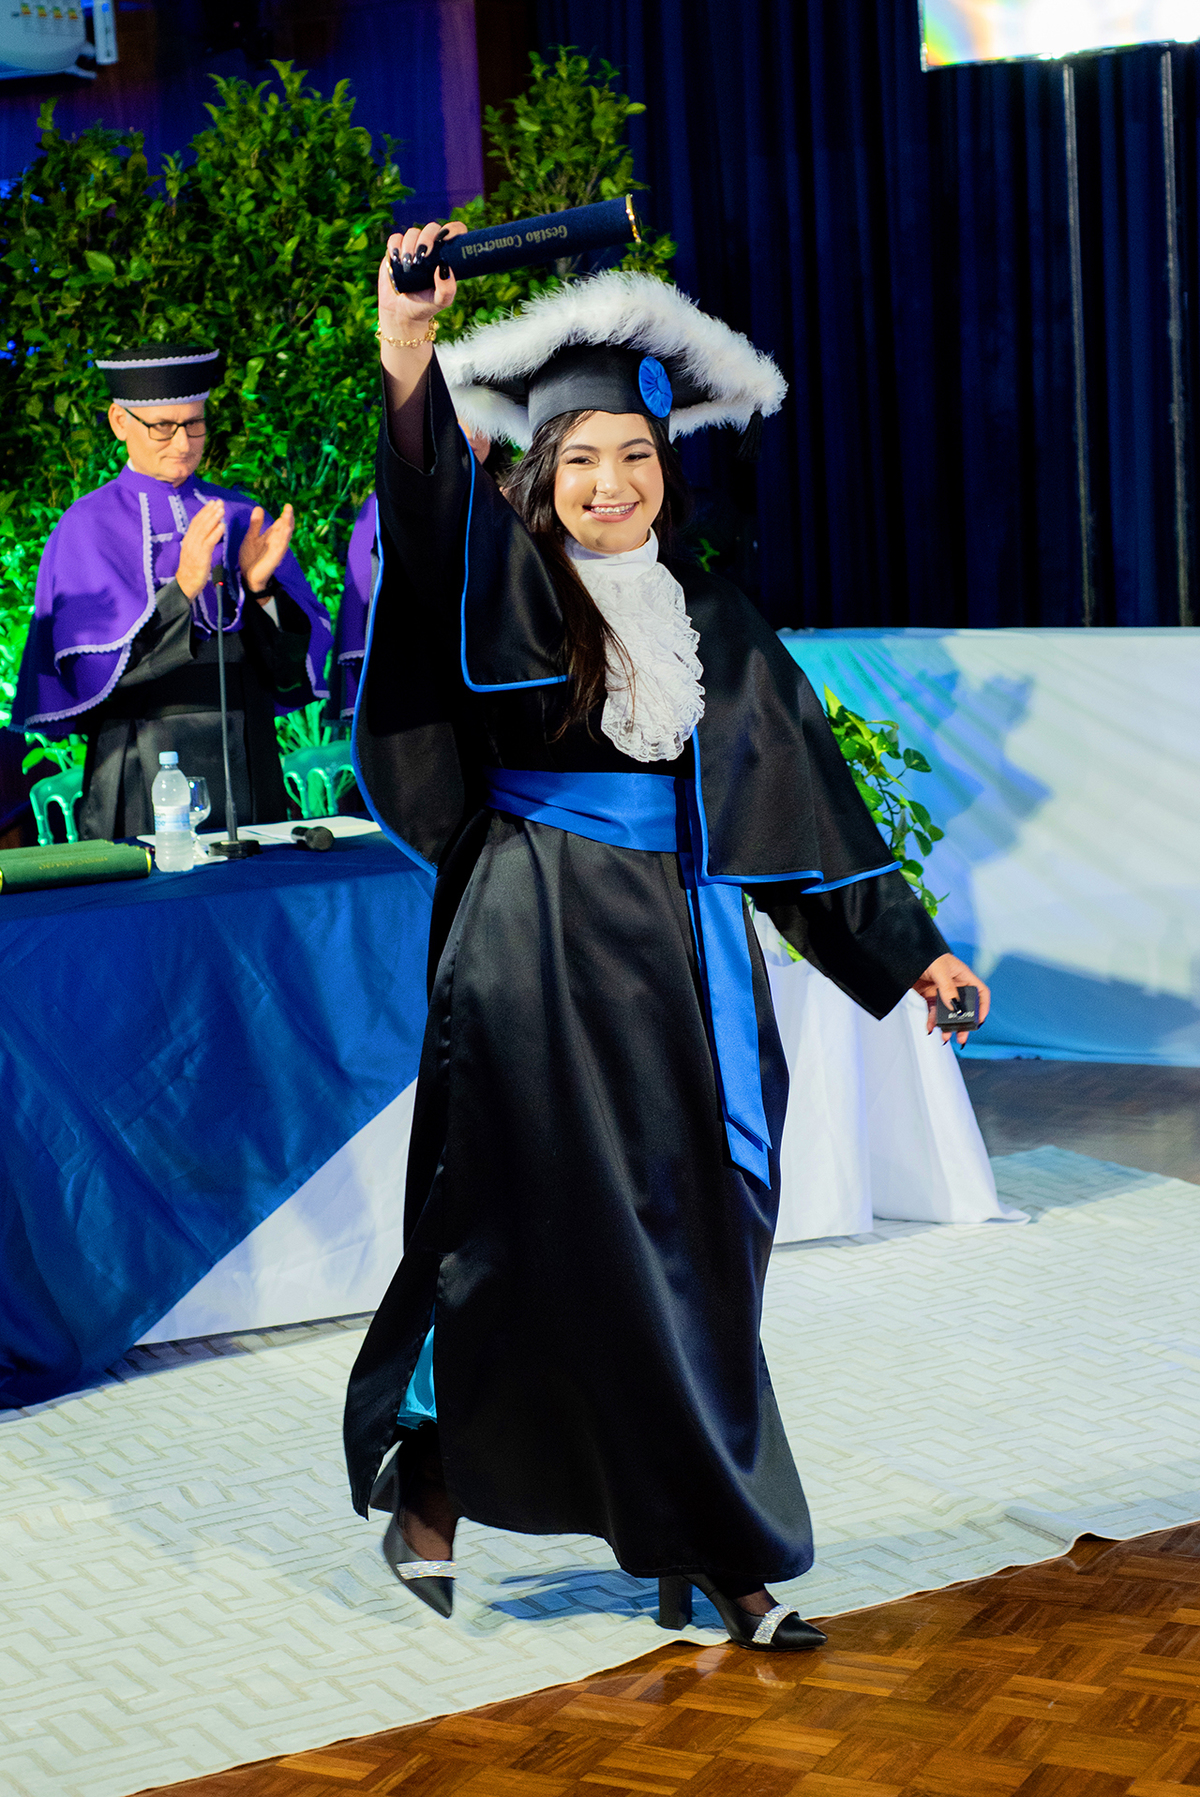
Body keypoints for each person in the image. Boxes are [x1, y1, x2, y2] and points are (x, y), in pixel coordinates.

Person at [343, 221, 991, 1651]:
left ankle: (700, 1539)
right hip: (535, 954)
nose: (608, 483)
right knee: (519, 1242)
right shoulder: (503, 591)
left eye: (632, 456)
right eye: (578, 458)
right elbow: (425, 507)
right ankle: (451, 1483)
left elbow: (805, 823)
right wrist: (408, 350)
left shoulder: (720, 626)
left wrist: (915, 951)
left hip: (690, 969)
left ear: (663, 467)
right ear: (542, 474)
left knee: (702, 1247)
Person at [11, 343, 333, 838]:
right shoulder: (85, 526)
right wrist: (183, 587)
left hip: (245, 756)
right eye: (162, 426)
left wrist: (261, 589)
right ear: (120, 423)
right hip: (140, 759)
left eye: (194, 424)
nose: (182, 443)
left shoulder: (240, 512)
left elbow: (291, 672)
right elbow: (96, 680)